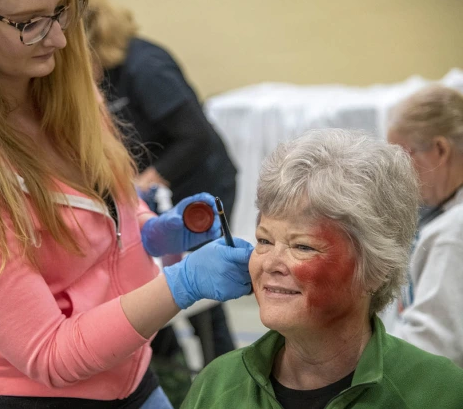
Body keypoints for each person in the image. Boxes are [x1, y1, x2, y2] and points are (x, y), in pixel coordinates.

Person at [0, 0, 254, 408]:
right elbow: (49, 353)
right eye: (29, 23)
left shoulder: (68, 97)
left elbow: (108, 210)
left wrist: (153, 232)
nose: (60, 38)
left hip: (134, 379)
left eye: (64, 10)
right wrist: (183, 284)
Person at [181, 128, 463, 409]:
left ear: (377, 269)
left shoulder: (438, 393)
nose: (269, 263)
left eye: (302, 246)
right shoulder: (217, 387)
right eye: (264, 240)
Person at [84, 0, 239, 374]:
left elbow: (196, 136)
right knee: (147, 288)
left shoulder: (145, 67)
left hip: (200, 183)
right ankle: (173, 376)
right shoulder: (104, 72)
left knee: (204, 295)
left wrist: (145, 180)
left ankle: (223, 375)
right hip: (153, 191)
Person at [386, 85, 463, 368]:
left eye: (404, 158)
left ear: (440, 150)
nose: (400, 175)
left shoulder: (453, 233)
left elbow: (432, 347)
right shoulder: (444, 211)